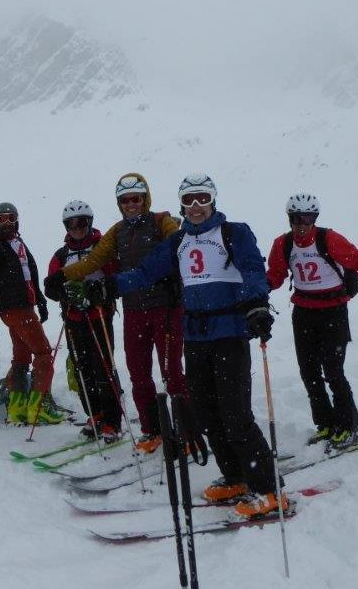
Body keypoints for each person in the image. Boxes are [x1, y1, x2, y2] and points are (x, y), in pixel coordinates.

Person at [76, 173, 284, 519]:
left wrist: (257, 304)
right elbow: (144, 273)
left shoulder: (234, 232)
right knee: (207, 413)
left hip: (229, 333)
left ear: (213, 200)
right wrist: (111, 285)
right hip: (196, 336)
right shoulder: (179, 242)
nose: (196, 206)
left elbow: (252, 269)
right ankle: (234, 476)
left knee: (236, 416)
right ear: (182, 204)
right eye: (189, 200)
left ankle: (268, 488)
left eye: (202, 198)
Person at [44, 173, 185, 453]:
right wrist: (62, 276)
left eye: (136, 199)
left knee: (171, 372)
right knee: (138, 374)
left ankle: (186, 430)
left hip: (165, 307)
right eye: (125, 200)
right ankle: (152, 430)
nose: (131, 204)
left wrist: (171, 272)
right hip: (134, 310)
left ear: (145, 199)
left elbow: (181, 245)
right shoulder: (117, 231)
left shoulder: (162, 221)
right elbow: (95, 259)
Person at [266, 193, 358, 449]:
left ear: (315, 218)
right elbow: (275, 275)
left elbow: (356, 258)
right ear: (289, 218)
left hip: (333, 312)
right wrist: (256, 292)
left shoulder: (328, 239)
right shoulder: (283, 244)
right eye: (296, 218)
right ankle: (325, 424)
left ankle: (348, 427)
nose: (302, 224)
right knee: (309, 372)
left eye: (308, 218)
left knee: (334, 372)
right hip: (303, 312)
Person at [0, 202, 62, 425]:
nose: (7, 223)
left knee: (22, 356)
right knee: (43, 352)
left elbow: (29, 273)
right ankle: (39, 406)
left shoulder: (18, 242)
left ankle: (17, 406)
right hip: (15, 307)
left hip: (24, 306)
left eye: (11, 218)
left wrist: (40, 301)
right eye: (2, 219)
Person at [44, 200, 121, 441]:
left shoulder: (103, 247)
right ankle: (95, 414)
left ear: (89, 223)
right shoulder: (61, 254)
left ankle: (112, 421)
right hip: (73, 318)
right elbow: (50, 286)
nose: (76, 228)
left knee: (103, 369)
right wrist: (63, 293)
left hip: (99, 317)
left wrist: (98, 291)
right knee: (82, 369)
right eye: (71, 224)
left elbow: (116, 279)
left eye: (81, 223)